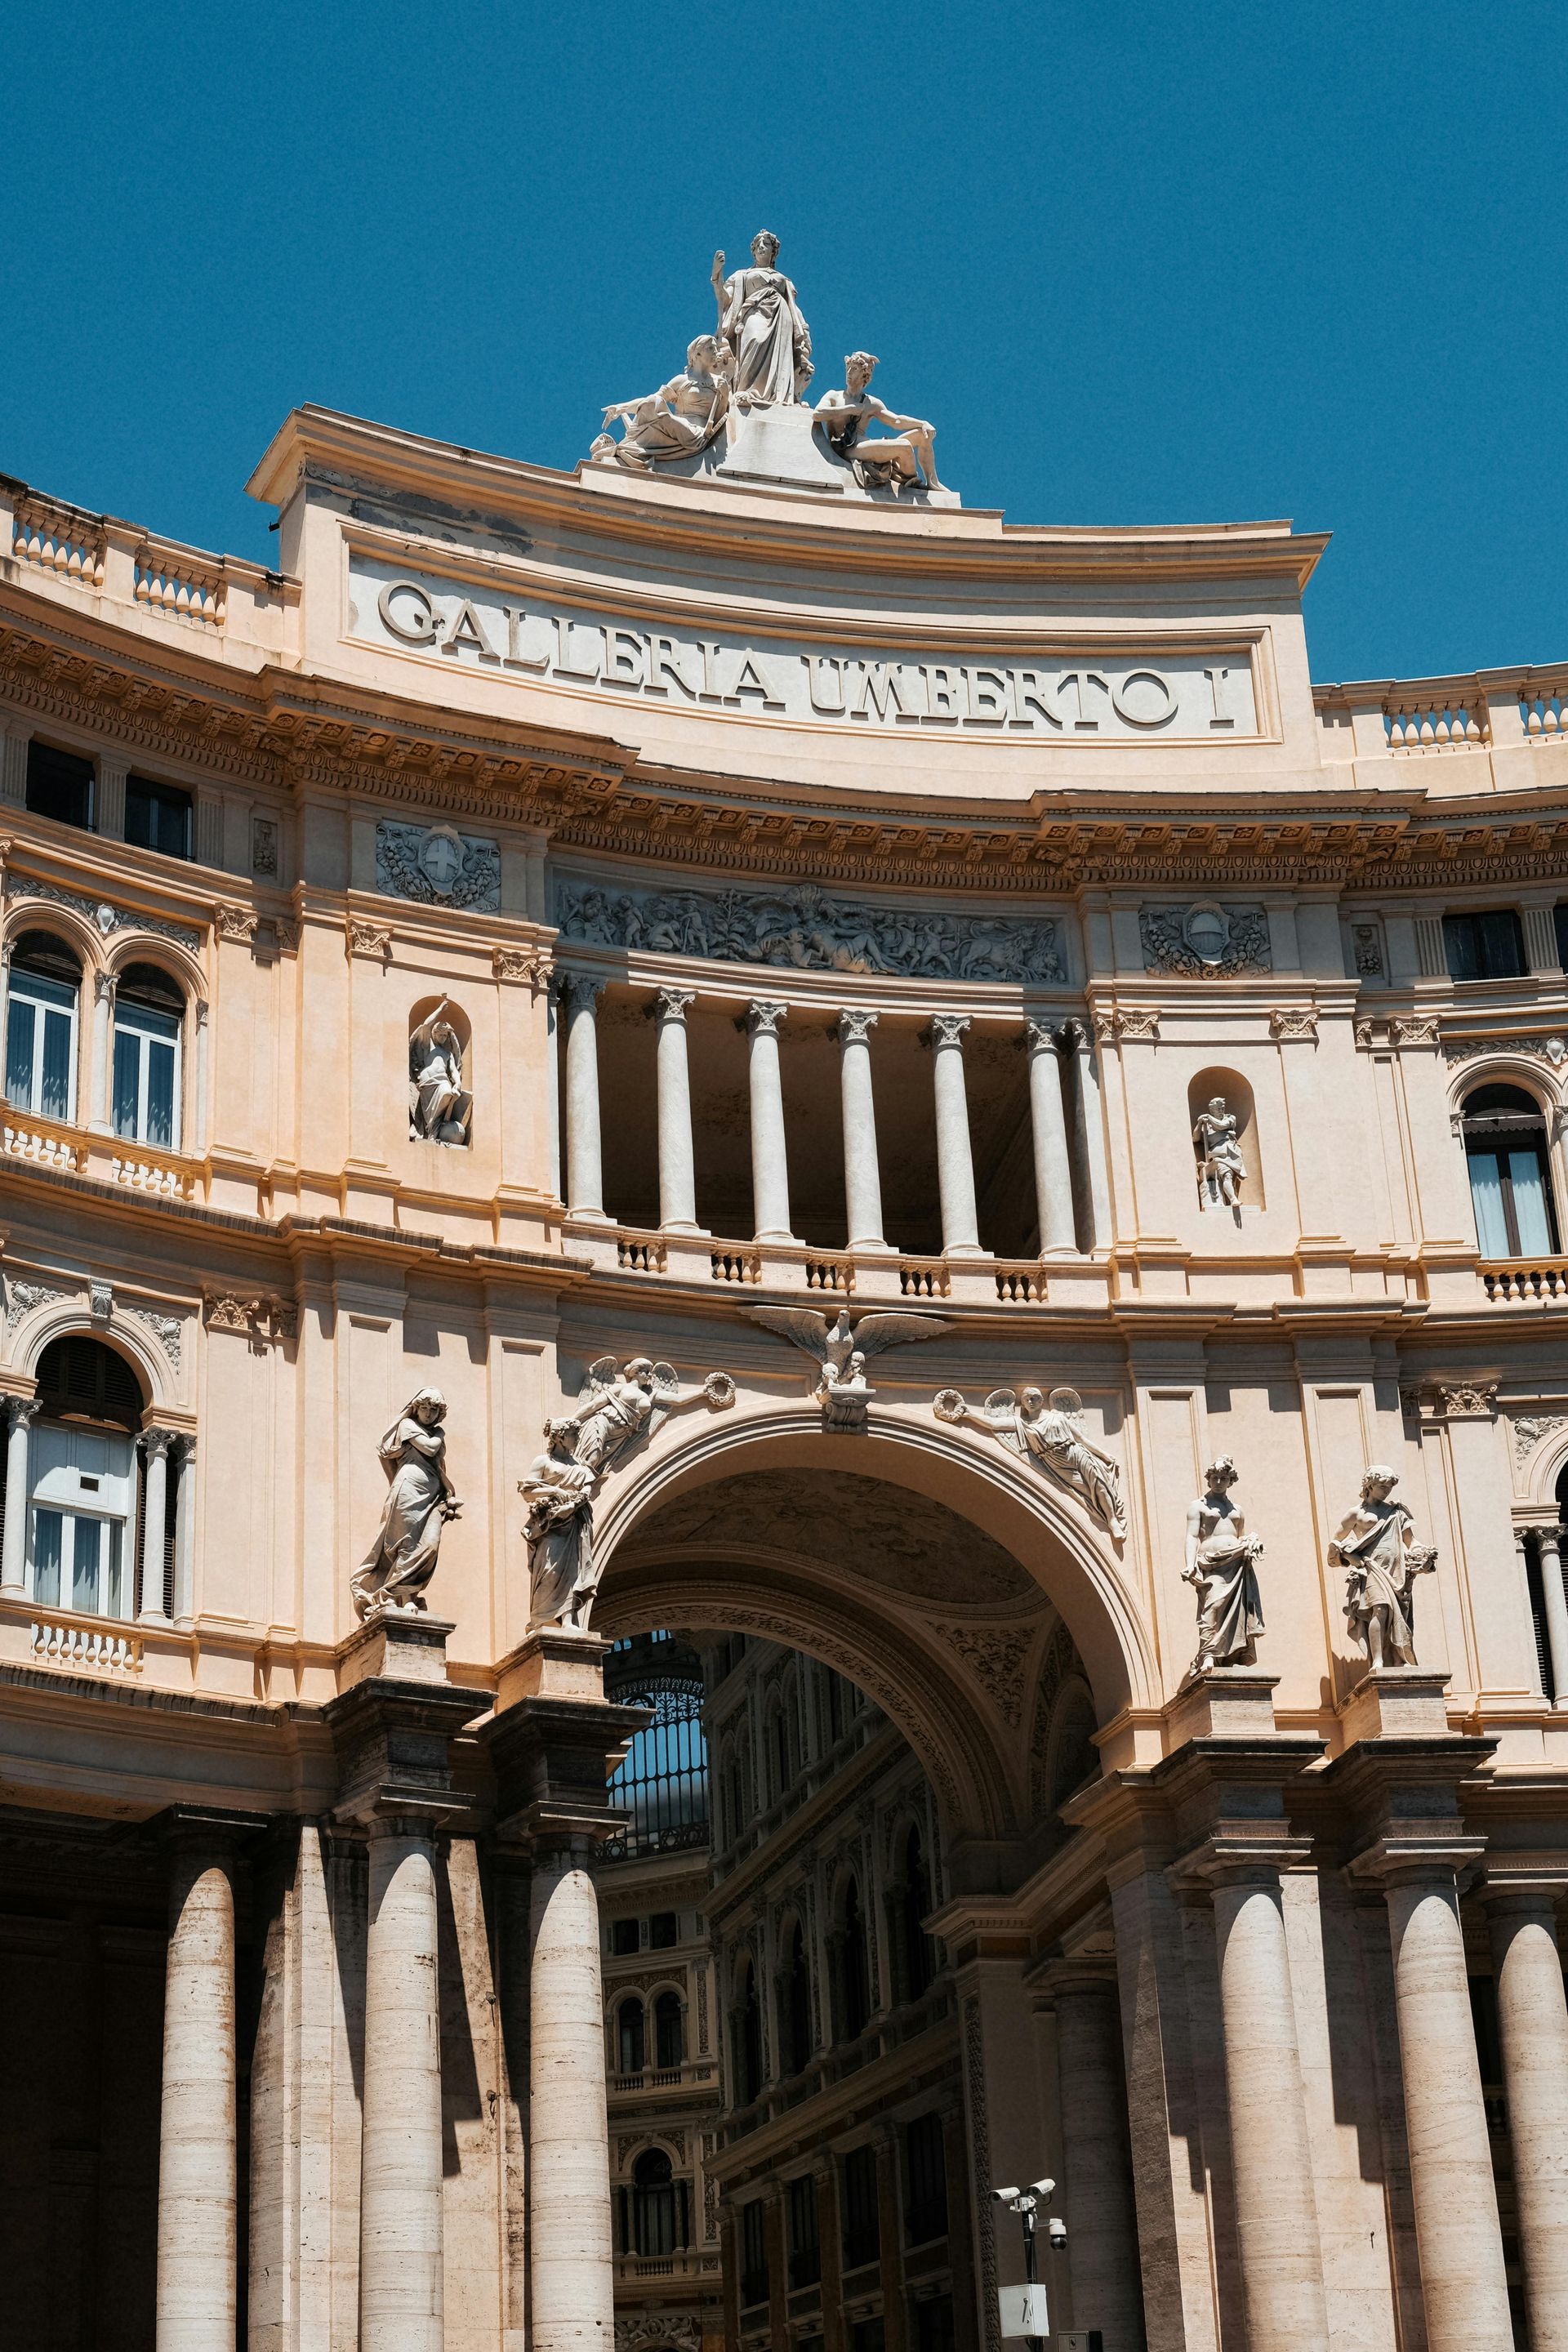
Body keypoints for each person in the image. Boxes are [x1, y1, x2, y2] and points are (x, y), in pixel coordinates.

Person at [351, 1388, 461, 1617]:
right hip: (409, 1487)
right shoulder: (408, 1427)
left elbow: (438, 1464)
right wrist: (439, 1434)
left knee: (429, 1544)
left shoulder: (433, 1431)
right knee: (408, 1543)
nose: (428, 1414)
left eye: (434, 1410)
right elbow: (430, 1448)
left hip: (432, 1492)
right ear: (416, 1409)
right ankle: (399, 1597)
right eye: (424, 1408)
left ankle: (400, 1593)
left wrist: (447, 1495)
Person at [1331, 1465, 1437, 1668]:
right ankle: (1378, 1659)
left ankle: (1400, 1657)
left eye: (1389, 1487)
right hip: (1372, 1569)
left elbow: (1410, 1541)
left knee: (1400, 1615)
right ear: (1369, 1486)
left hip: (1398, 1572)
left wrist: (1424, 1552)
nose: (1386, 1491)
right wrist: (1349, 1556)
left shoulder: (1396, 1512)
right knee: (1380, 1609)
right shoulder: (1355, 1514)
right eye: (1382, 1487)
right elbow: (1335, 1544)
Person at [590, 335, 733, 470]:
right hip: (678, 427)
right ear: (697, 354)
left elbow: (720, 418)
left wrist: (725, 395)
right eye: (710, 348)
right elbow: (651, 402)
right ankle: (630, 444)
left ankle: (628, 446)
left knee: (657, 407)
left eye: (715, 348)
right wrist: (621, 408)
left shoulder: (719, 382)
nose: (715, 351)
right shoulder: (682, 381)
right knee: (655, 400)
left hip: (698, 434)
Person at [815, 352, 945, 493]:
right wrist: (848, 410)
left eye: (855, 369)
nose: (849, 372)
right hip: (848, 449)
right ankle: (911, 482)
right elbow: (818, 414)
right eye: (848, 367)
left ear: (865, 375)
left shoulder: (871, 403)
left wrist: (923, 423)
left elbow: (896, 421)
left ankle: (933, 483)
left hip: (867, 445)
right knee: (905, 446)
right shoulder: (834, 396)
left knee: (922, 435)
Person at [712, 233, 813, 408]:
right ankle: (747, 390)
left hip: (782, 317)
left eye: (765, 243)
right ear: (753, 250)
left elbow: (793, 306)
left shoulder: (784, 280)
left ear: (773, 251)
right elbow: (725, 299)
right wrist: (716, 276)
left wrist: (803, 331)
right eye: (758, 244)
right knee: (754, 341)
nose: (761, 246)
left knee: (782, 357)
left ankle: (778, 397)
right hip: (754, 313)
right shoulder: (742, 275)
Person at [1183, 1456, 1265, 1670]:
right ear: (1209, 1480)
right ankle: (1208, 1653)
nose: (1219, 1482)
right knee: (1214, 1605)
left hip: (1237, 1563)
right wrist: (1190, 1564)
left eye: (1224, 1478)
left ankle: (1232, 1656)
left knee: (1237, 1609)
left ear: (1231, 1481)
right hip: (1211, 1564)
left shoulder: (1237, 1510)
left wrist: (1250, 1544)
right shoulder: (1198, 1506)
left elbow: (1240, 1536)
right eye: (1215, 1478)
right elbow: (1192, 1536)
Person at [520, 1421, 599, 1630]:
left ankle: (567, 1620)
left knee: (573, 1570)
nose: (576, 1438)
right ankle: (538, 1621)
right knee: (549, 1569)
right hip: (550, 1525)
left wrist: (572, 1505)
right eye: (573, 1434)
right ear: (560, 1437)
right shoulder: (543, 1462)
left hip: (575, 1523)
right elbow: (527, 1492)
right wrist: (554, 1492)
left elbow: (586, 1492)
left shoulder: (581, 1467)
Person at [409, 1000, 471, 1144]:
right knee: (428, 1114)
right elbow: (426, 1025)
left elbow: (454, 1070)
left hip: (442, 1081)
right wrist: (439, 1009)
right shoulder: (427, 1046)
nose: (443, 1038)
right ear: (434, 1034)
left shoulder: (448, 1054)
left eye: (445, 1036)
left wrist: (458, 1083)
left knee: (447, 1092)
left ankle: (432, 1131)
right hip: (427, 1084)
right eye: (440, 1035)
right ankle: (430, 1132)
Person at [1193, 1096, 1245, 1209]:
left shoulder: (1230, 1118)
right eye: (1218, 1109)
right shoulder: (1207, 1125)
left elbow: (1222, 1126)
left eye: (1222, 1108)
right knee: (1227, 1175)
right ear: (1212, 1111)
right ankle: (1233, 1199)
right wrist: (1199, 1123)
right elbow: (1196, 1138)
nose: (1221, 1110)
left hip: (1232, 1153)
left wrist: (1208, 1118)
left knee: (1231, 1178)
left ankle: (1229, 1198)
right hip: (1218, 1156)